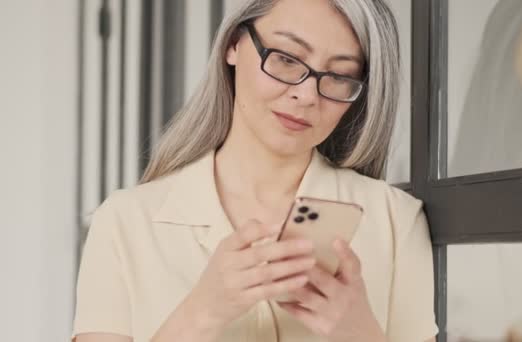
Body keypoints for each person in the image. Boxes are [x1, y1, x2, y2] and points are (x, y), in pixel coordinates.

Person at [72, 0, 438, 341]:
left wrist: (360, 333)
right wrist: (200, 314)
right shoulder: (124, 222)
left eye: (339, 76)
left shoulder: (395, 220)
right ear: (233, 45)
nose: (307, 95)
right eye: (286, 58)